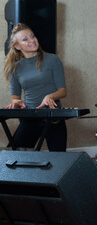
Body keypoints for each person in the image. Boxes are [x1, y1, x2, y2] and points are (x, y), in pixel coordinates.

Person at [3, 23, 67, 152]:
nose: (32, 40)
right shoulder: (14, 68)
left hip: (53, 116)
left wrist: (50, 96)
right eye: (25, 39)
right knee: (16, 155)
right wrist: (16, 102)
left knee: (60, 159)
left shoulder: (52, 60)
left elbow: (62, 91)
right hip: (30, 117)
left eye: (32, 36)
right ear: (17, 46)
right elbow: (15, 97)